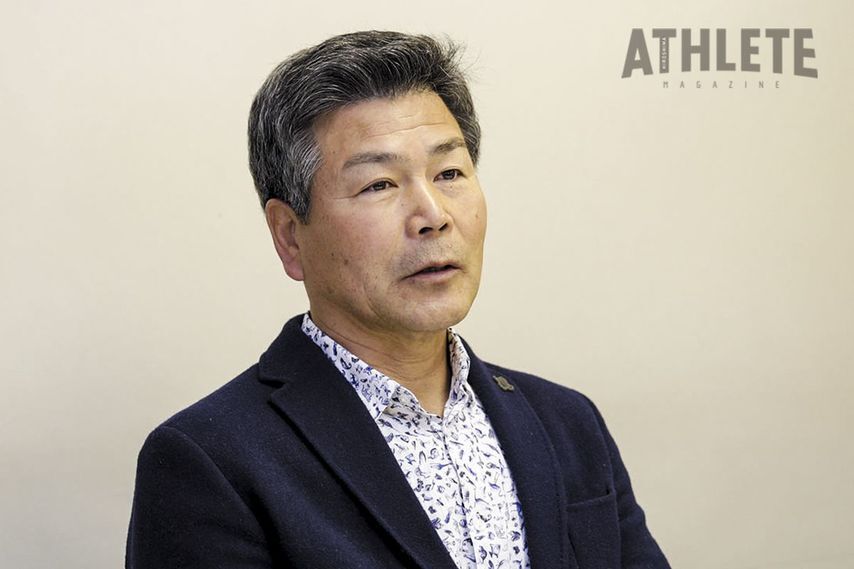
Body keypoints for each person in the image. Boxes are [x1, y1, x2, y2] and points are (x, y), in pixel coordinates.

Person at [126, 30, 670, 569]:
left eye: (449, 172)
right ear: (290, 236)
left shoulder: (567, 422)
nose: (433, 215)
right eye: (379, 184)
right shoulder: (211, 459)